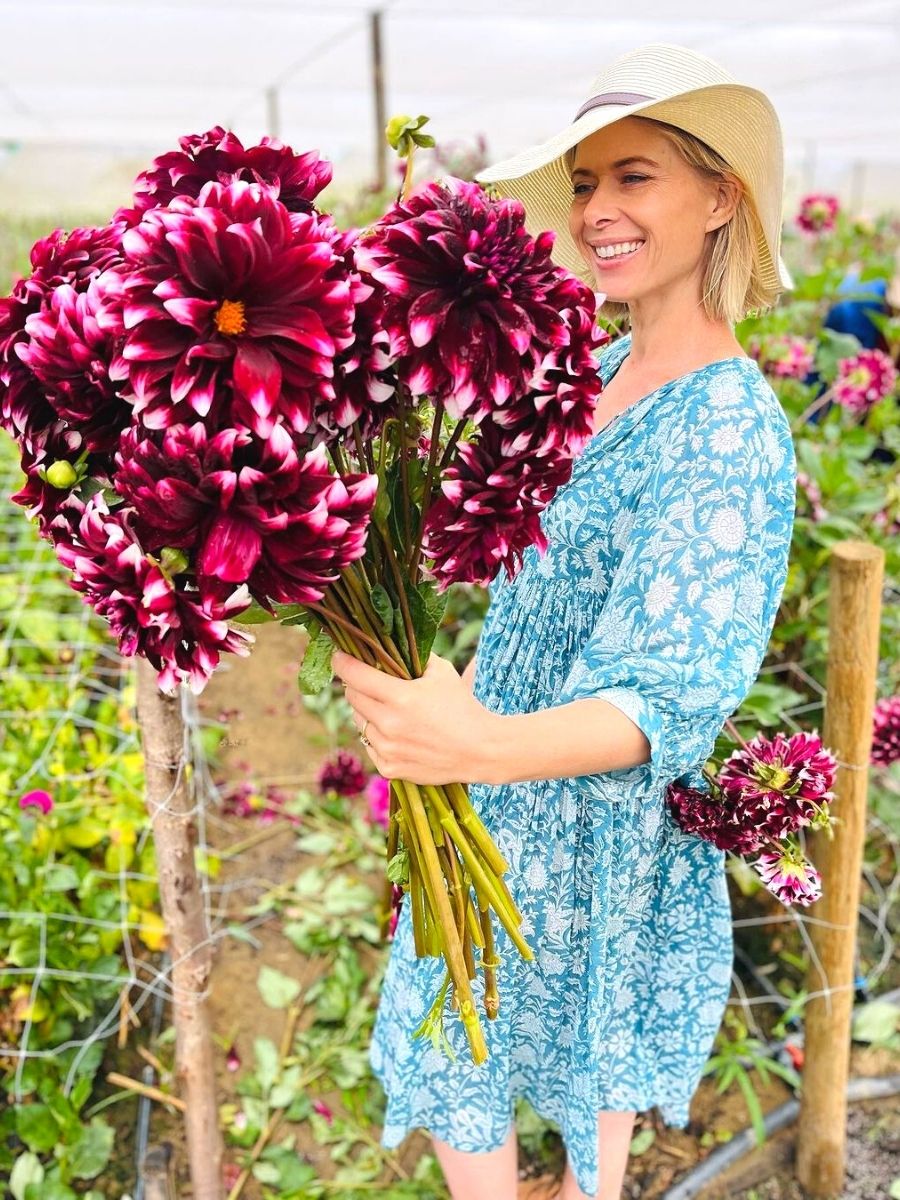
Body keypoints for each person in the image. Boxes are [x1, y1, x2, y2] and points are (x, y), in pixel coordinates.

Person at [332, 42, 797, 1200]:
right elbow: (471, 537)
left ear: (719, 197)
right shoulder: (584, 373)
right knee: (459, 1070)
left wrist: (473, 743)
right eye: (586, 185)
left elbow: (668, 698)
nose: (597, 211)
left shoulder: (730, 430)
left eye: (633, 177)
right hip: (493, 798)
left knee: (585, 1132)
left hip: (597, 836)